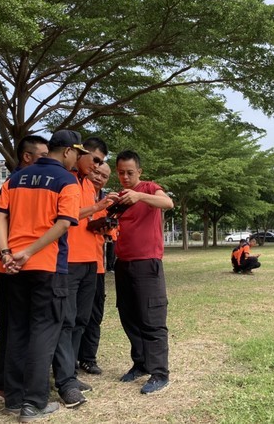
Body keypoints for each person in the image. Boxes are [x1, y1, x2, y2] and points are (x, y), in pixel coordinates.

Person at [0, 129, 86, 421]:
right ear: (68, 151)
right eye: (78, 154)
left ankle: (14, 399)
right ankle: (33, 403)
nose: (77, 160)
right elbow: (62, 225)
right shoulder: (66, 181)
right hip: (45, 266)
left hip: (13, 268)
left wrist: (7, 253)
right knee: (44, 333)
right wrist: (30, 252)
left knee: (17, 330)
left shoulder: (15, 178)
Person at [0, 135, 49, 402]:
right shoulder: (16, 182)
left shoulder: (23, 181)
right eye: (43, 155)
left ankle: (1, 376)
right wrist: (0, 253)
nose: (48, 161)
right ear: (27, 156)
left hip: (16, 262)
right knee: (14, 326)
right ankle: (1, 382)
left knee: (15, 325)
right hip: (12, 264)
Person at [52, 137, 112, 408]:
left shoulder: (89, 185)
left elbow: (87, 219)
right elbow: (69, 214)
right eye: (95, 160)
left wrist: (104, 221)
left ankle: (71, 374)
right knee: (66, 320)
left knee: (80, 320)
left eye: (101, 162)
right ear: (80, 154)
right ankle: (64, 378)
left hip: (92, 261)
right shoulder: (65, 179)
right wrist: (98, 208)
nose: (97, 167)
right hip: (68, 262)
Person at [112, 150, 174, 394]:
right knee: (129, 316)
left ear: (139, 171)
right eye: (121, 173)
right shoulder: (120, 197)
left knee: (152, 319)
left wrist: (139, 195)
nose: (125, 177)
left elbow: (167, 203)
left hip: (147, 262)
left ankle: (160, 372)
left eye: (130, 172)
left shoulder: (148, 188)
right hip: (123, 262)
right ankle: (140, 364)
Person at [78, 162, 113, 375]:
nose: (99, 178)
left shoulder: (106, 199)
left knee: (94, 314)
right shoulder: (77, 190)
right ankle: (69, 359)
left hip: (97, 264)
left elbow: (109, 232)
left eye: (105, 176)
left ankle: (88, 358)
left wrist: (108, 227)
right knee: (75, 315)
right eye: (97, 173)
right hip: (76, 262)